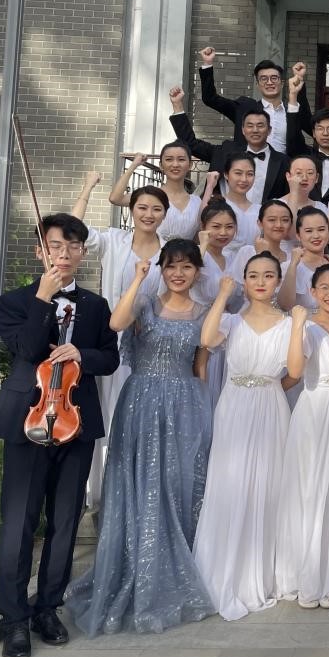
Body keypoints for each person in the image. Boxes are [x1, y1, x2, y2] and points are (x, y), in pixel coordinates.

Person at [65, 239, 215, 636]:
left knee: (176, 485)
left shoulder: (204, 313)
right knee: (139, 483)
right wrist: (137, 279)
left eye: (186, 267)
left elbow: (201, 368)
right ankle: (134, 565)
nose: (178, 273)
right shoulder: (145, 303)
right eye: (171, 266)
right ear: (162, 269)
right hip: (141, 402)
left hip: (184, 405)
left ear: (197, 272)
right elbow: (116, 324)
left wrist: (204, 419)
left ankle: (173, 567)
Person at [0, 214, 121, 657]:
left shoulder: (96, 305)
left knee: (64, 521)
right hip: (28, 421)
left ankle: (47, 608)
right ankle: (14, 618)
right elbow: (27, 350)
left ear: (83, 252)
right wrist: (43, 298)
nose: (64, 254)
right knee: (19, 523)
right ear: (39, 251)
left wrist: (82, 353)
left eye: (73, 246)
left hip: (75, 421)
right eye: (55, 246)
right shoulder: (13, 301)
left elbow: (110, 358)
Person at [193, 255, 304, 620]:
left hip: (271, 405)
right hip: (234, 406)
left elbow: (295, 372)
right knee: (231, 482)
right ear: (244, 280)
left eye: (268, 276)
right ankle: (226, 567)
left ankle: (265, 571)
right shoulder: (230, 320)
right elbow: (206, 339)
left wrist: (268, 388)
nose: (261, 281)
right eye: (253, 275)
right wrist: (223, 296)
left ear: (277, 282)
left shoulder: (289, 323)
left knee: (269, 483)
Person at [71, 174, 168, 506]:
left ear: (164, 214)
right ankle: (100, 494)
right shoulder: (113, 240)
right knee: (108, 409)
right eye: (142, 207)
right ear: (132, 210)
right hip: (111, 337)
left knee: (143, 416)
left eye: (156, 209)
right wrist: (87, 188)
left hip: (151, 343)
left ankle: (138, 491)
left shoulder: (169, 251)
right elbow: (74, 228)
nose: (149, 214)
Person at [275, 264, 329, 609]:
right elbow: (295, 371)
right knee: (311, 489)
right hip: (314, 409)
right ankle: (309, 574)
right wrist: (298, 326)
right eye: (323, 287)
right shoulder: (306, 325)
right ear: (312, 292)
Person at [169, 87, 289, 203]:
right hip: (224, 216)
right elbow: (192, 144)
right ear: (243, 130)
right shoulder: (225, 151)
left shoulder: (283, 162)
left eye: (260, 126)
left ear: (269, 130)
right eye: (250, 126)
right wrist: (177, 105)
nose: (255, 130)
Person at [197, 47, 308, 153]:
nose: (269, 82)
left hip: (283, 165)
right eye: (263, 79)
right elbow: (210, 98)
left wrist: (299, 80)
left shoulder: (293, 111)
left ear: (282, 83)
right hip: (249, 165)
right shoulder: (244, 108)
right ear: (257, 85)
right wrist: (207, 63)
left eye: (274, 78)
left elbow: (309, 127)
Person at [193, 201, 241, 412]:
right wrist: (202, 245)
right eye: (216, 226)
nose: (223, 232)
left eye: (229, 227)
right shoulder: (196, 253)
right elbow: (190, 277)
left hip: (227, 327)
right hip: (202, 322)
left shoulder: (233, 258)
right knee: (205, 377)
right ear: (203, 227)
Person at [109, 145, 202, 241]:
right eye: (169, 159)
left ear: (190, 165)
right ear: (161, 165)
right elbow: (115, 198)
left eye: (181, 160)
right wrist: (133, 165)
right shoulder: (150, 195)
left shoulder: (197, 202)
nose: (175, 164)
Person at [285, 106, 329, 204]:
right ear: (314, 133)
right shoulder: (305, 156)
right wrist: (293, 101)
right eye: (320, 129)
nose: (325, 133)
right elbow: (293, 136)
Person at [278, 206, 329, 312]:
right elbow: (284, 305)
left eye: (321, 229)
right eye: (309, 231)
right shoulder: (289, 267)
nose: (316, 235)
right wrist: (293, 266)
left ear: (328, 231)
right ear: (298, 236)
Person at [227, 200, 294, 281]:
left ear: (291, 224)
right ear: (260, 223)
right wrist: (260, 255)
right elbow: (236, 285)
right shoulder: (247, 252)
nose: (279, 225)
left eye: (285, 220)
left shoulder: (292, 258)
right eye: (272, 220)